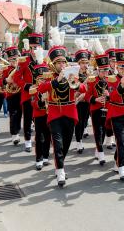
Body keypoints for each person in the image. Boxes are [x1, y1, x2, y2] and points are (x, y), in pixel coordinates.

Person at [37, 29, 78, 187]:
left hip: (69, 112)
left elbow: (81, 89)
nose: (62, 65)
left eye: (63, 62)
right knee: (58, 143)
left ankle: (59, 164)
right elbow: (41, 89)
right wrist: (57, 80)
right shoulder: (49, 76)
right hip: (54, 113)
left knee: (66, 143)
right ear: (54, 64)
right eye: (59, 63)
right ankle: (60, 171)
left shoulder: (70, 74)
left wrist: (75, 81)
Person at [105, 29, 124, 181]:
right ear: (117, 67)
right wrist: (121, 86)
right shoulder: (111, 80)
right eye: (121, 67)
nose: (123, 70)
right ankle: (122, 166)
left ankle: (117, 162)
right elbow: (112, 97)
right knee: (120, 142)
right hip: (116, 114)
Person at [12, 34, 44, 152]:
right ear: (29, 48)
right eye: (33, 47)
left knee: (40, 120)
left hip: (42, 95)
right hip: (28, 95)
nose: (35, 50)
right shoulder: (23, 61)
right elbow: (16, 78)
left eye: (38, 47)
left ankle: (41, 140)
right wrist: (26, 86)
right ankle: (27, 140)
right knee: (27, 118)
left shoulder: (45, 61)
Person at [85, 39, 110, 166]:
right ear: (98, 70)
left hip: (107, 109)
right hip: (95, 109)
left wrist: (109, 95)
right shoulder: (91, 80)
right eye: (103, 71)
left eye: (107, 70)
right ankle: (100, 153)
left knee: (104, 131)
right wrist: (95, 99)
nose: (105, 73)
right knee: (97, 131)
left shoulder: (110, 80)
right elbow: (87, 96)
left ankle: (98, 149)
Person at [0, 37, 22, 145]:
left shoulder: (21, 68)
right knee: (14, 114)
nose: (15, 61)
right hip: (11, 95)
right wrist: (6, 80)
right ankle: (15, 134)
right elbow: (0, 82)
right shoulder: (5, 69)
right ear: (8, 60)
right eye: (12, 59)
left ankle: (20, 132)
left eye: (16, 58)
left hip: (22, 93)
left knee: (22, 114)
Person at [29, 63, 51, 171]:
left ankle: (46, 156)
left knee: (48, 136)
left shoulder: (49, 87)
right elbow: (34, 104)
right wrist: (42, 101)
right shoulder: (34, 89)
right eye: (40, 79)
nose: (42, 81)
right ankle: (39, 159)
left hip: (49, 114)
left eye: (44, 79)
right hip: (38, 115)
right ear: (36, 79)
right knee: (39, 137)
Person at [73, 38, 91, 154]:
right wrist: (85, 82)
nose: (85, 65)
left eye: (86, 63)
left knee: (84, 121)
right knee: (78, 122)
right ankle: (78, 142)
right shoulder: (74, 74)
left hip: (87, 102)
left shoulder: (89, 74)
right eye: (83, 63)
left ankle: (80, 139)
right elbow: (75, 90)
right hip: (77, 102)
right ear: (78, 63)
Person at [104, 34, 117, 150]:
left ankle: (112, 138)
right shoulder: (106, 72)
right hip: (107, 98)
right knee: (108, 119)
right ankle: (108, 139)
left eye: (115, 61)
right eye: (112, 61)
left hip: (116, 98)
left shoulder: (119, 71)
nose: (114, 63)